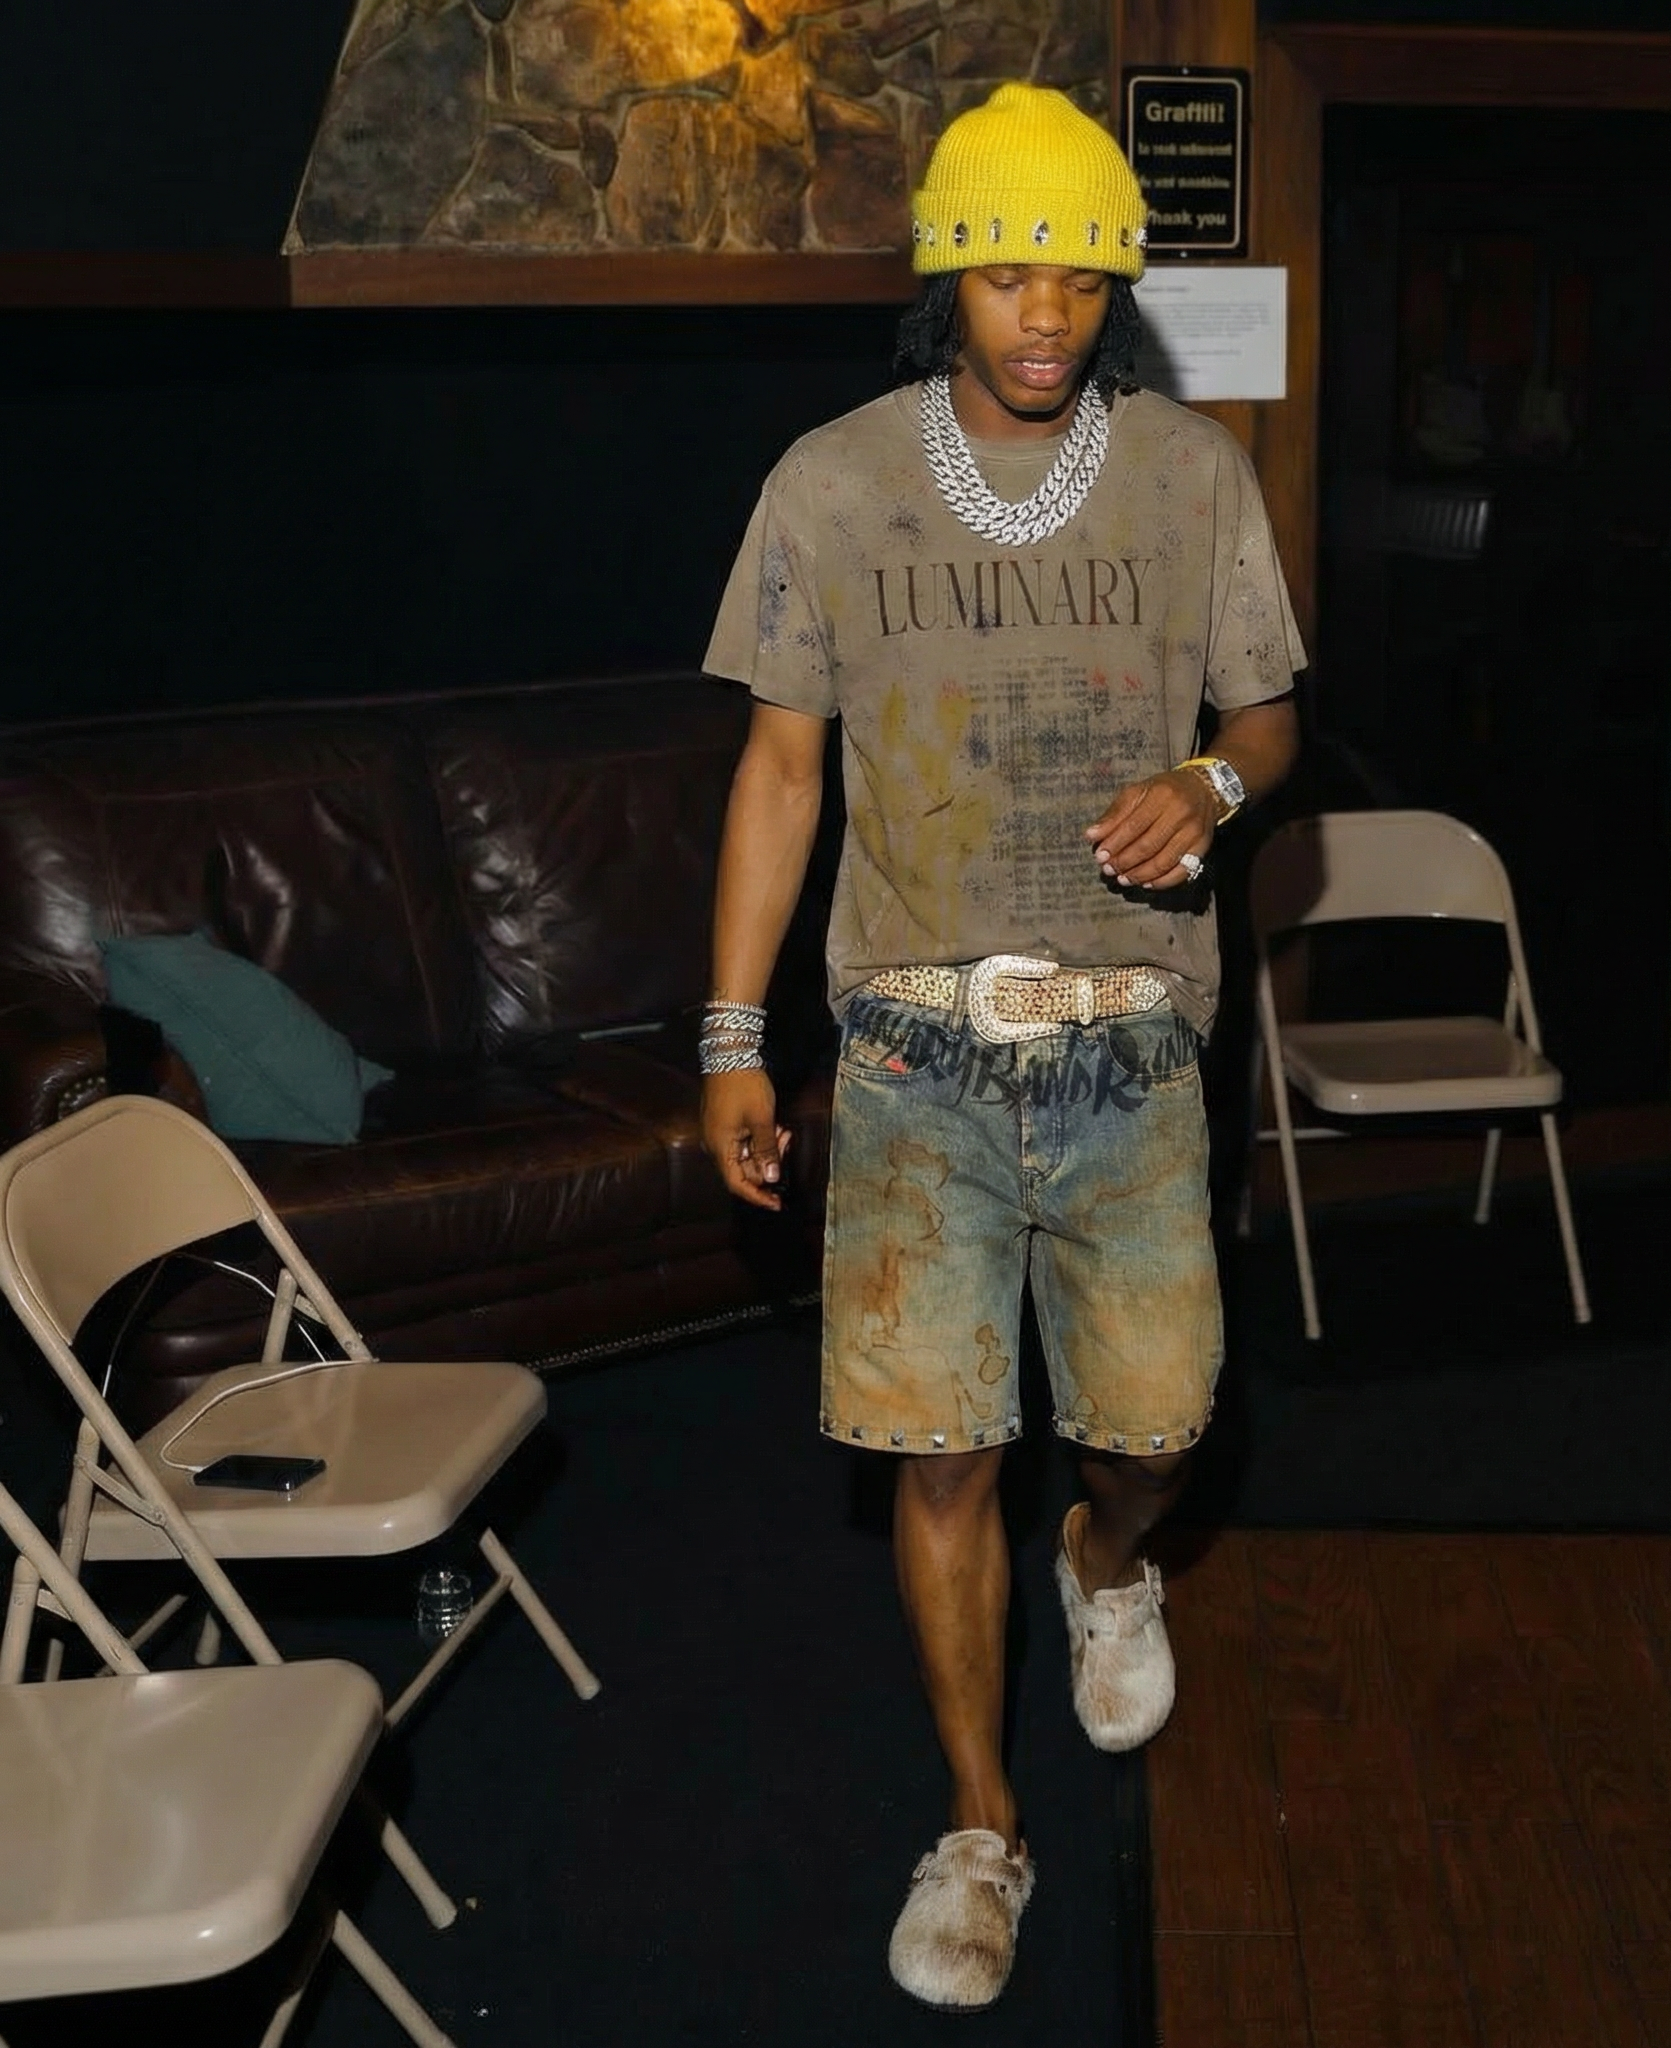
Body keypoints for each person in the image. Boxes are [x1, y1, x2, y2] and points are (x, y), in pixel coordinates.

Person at [698, 81, 1303, 2011]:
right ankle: (983, 1823)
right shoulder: (829, 482)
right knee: (934, 1454)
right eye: (1003, 267)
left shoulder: (1194, 476)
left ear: (1118, 278)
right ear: (947, 277)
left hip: (1133, 1047)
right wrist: (731, 1035)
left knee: (1158, 1428)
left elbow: (1273, 718)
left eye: (1079, 268)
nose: (1042, 308)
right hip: (908, 1053)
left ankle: (1106, 1562)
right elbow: (781, 767)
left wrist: (1209, 782)